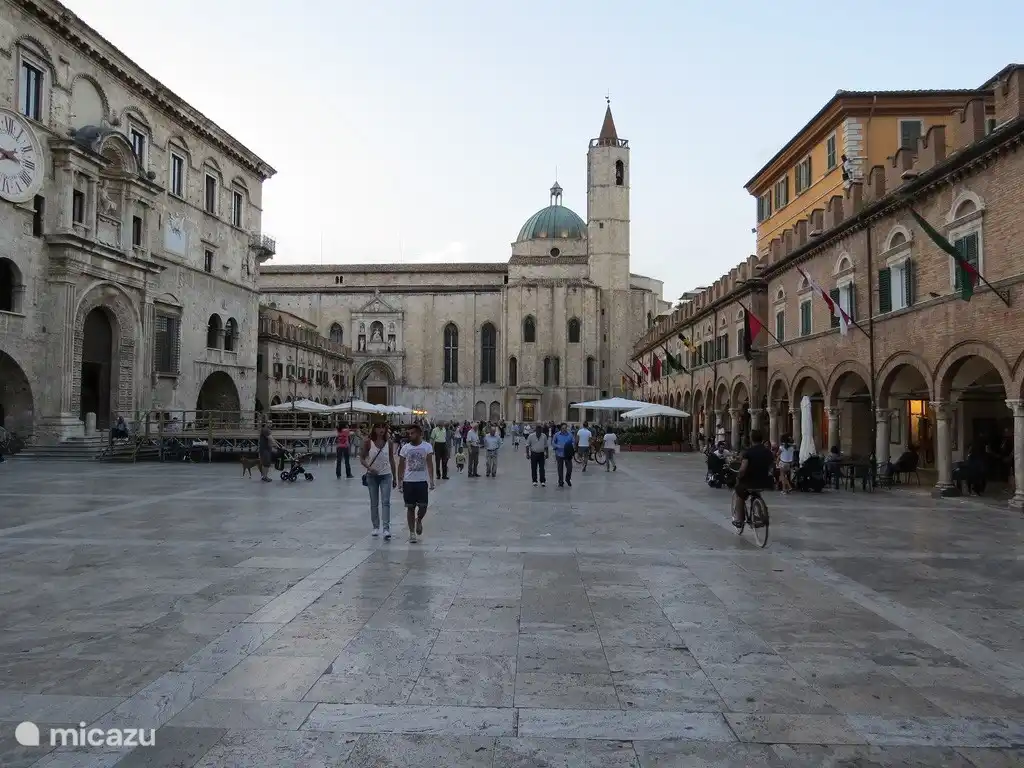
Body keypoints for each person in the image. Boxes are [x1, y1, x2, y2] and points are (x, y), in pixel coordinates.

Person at [398, 425, 435, 543]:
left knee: (423, 506)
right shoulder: (405, 448)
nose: (410, 435)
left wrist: (431, 480)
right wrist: (400, 480)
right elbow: (401, 464)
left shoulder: (427, 446)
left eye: (412, 433)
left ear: (419, 433)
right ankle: (412, 532)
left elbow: (429, 464)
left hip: (422, 481)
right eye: (409, 433)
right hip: (408, 481)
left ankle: (419, 519)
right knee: (410, 507)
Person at [732, 429, 774, 528]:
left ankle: (739, 519)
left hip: (750, 482)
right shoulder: (768, 452)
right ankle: (760, 514)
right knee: (756, 493)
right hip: (766, 481)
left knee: (739, 493)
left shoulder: (748, 453)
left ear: (751, 439)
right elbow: (771, 467)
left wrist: (738, 476)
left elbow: (742, 469)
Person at [361, 423, 397, 539]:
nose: (381, 430)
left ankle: (386, 528)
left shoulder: (389, 443)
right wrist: (369, 467)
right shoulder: (368, 442)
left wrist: (395, 477)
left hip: (386, 475)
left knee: (386, 501)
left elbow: (392, 459)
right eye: (378, 427)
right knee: (374, 502)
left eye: (383, 428)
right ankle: (375, 526)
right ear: (374, 429)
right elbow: (362, 458)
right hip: (372, 476)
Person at [552, 423, 575, 488]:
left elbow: (573, 442)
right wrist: (558, 446)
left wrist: (571, 446)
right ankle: (560, 481)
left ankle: (567, 479)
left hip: (568, 454)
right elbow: (553, 442)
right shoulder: (557, 435)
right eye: (563, 428)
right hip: (559, 454)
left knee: (569, 468)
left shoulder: (570, 435)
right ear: (561, 428)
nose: (564, 429)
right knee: (560, 469)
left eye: (565, 428)